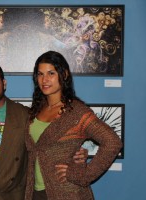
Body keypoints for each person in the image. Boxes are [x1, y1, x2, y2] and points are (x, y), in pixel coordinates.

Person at [0, 60, 88, 200]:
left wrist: (74, 153)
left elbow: (47, 143)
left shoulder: (25, 115)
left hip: (13, 196)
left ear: (4, 83)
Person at [25, 51, 123, 200]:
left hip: (67, 193)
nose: (44, 79)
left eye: (51, 73)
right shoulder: (36, 109)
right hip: (34, 192)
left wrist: (82, 175)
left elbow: (112, 142)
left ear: (64, 75)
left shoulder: (77, 112)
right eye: (40, 74)